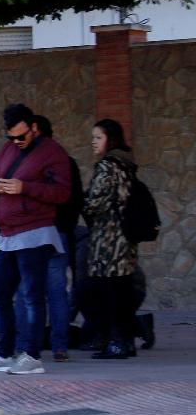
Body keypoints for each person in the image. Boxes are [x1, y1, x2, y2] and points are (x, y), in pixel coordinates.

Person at [0, 103, 71, 375]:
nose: (17, 142)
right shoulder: (7, 150)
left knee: (31, 295)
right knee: (0, 293)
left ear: (34, 128)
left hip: (35, 232)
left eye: (22, 136)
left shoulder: (53, 152)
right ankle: (4, 352)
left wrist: (24, 187)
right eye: (11, 137)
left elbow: (63, 193)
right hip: (5, 235)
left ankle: (31, 355)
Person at [11, 115, 81, 362]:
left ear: (35, 131)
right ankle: (60, 346)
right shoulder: (67, 162)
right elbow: (76, 200)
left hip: (33, 234)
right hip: (59, 234)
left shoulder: (29, 164)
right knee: (57, 292)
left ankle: (24, 345)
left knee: (25, 291)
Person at [83, 118, 140, 360]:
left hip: (108, 240)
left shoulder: (107, 166)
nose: (94, 142)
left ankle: (115, 342)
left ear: (110, 139)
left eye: (98, 137)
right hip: (125, 237)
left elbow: (96, 202)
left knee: (108, 293)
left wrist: (83, 203)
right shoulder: (127, 164)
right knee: (123, 291)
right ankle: (125, 341)